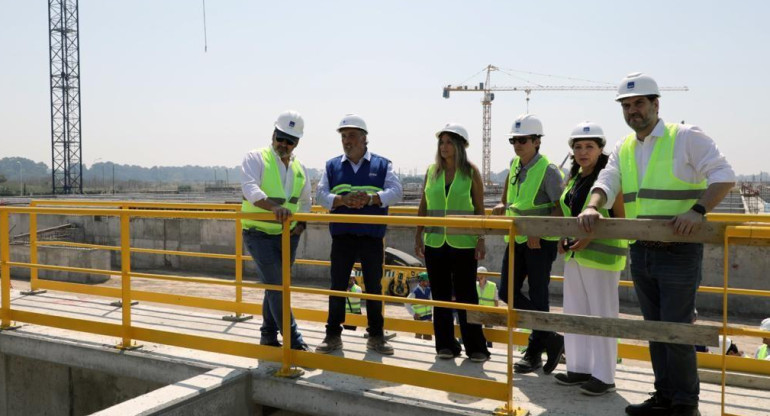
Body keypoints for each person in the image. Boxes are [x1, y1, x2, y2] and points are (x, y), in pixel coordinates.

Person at [577, 73, 735, 416]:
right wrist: (593, 204)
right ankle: (664, 396)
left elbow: (724, 175)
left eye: (639, 103)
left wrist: (698, 211)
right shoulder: (624, 147)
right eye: (627, 105)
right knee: (654, 329)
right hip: (641, 248)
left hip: (679, 251)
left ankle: (684, 404)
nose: (633, 111)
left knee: (675, 330)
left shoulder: (686, 137)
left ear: (656, 104)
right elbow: (608, 179)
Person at [315, 114, 403, 355]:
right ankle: (332, 335)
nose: (346, 140)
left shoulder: (382, 164)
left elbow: (397, 191)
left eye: (351, 135)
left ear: (364, 138)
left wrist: (373, 198)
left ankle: (376, 336)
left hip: (371, 236)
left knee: (374, 286)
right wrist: (341, 200)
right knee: (338, 286)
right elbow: (320, 195)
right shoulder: (332, 166)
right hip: (342, 235)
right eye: (343, 136)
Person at [553, 121, 628, 396]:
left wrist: (591, 237)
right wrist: (564, 236)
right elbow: (569, 214)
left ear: (600, 149)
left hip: (602, 258)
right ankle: (579, 368)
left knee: (602, 315)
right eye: (578, 147)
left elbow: (620, 219)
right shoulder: (575, 178)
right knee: (575, 313)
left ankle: (604, 375)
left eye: (589, 147)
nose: (583, 152)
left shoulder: (609, 180)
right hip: (576, 257)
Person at [491, 114, 564, 375]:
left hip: (538, 244)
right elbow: (508, 197)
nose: (517, 144)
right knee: (506, 292)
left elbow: (560, 209)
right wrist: (501, 205)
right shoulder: (514, 164)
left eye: (522, 140)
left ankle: (534, 351)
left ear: (536, 141)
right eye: (514, 140)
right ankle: (550, 338)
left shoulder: (549, 170)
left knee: (538, 294)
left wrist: (541, 232)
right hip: (516, 238)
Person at [414, 123, 490, 362]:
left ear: (459, 146)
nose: (444, 147)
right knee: (440, 295)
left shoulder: (471, 172)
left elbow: (479, 209)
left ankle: (476, 347)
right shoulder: (431, 171)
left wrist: (481, 239)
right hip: (435, 242)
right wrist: (418, 234)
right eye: (441, 142)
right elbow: (424, 206)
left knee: (468, 294)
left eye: (449, 142)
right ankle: (445, 345)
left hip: (463, 243)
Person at [241, 110, 310, 351]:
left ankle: (268, 336)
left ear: (296, 143)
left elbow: (306, 201)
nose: (283, 144)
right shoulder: (256, 158)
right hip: (258, 233)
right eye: (280, 137)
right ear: (273, 135)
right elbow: (249, 189)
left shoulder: (300, 168)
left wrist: (301, 225)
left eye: (289, 141)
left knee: (274, 286)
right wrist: (275, 208)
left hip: (287, 236)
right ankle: (294, 341)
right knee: (278, 286)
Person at [405, 272, 433, 340]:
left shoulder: (429, 290)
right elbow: (406, 302)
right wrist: (413, 313)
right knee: (418, 337)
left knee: (428, 337)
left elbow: (432, 302)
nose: (428, 282)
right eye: (426, 281)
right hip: (419, 318)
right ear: (421, 281)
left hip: (428, 317)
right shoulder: (415, 292)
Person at [476, 266, 498, 348]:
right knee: (478, 331)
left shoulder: (492, 286)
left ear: (486, 276)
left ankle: (489, 348)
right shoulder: (474, 285)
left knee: (489, 333)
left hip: (489, 313)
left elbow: (496, 300)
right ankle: (479, 347)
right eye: (478, 276)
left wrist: (495, 313)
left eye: (481, 276)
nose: (479, 278)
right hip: (477, 313)